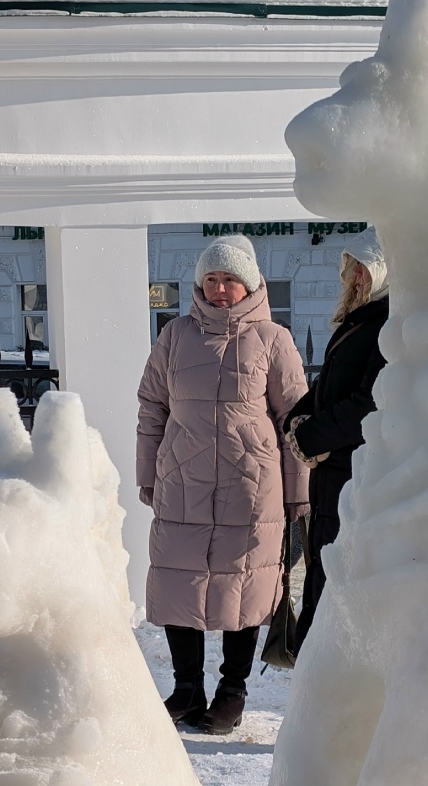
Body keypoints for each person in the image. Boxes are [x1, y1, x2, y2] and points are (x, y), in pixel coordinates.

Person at [137, 234, 309, 734]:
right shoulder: (174, 336)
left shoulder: (273, 339)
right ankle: (187, 688)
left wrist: (299, 493)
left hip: (251, 487)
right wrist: (148, 473)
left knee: (244, 586)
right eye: (210, 278)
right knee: (179, 581)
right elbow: (152, 407)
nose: (218, 288)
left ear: (249, 284)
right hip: (182, 480)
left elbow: (295, 420)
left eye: (228, 279)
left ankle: (232, 692)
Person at [284, 227, 389, 651]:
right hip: (332, 479)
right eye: (353, 268)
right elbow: (329, 386)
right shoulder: (360, 321)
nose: (356, 277)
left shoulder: (384, 325)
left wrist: (309, 435)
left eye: (366, 269)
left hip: (353, 477)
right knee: (322, 574)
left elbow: (369, 402)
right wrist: (295, 419)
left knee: (336, 588)